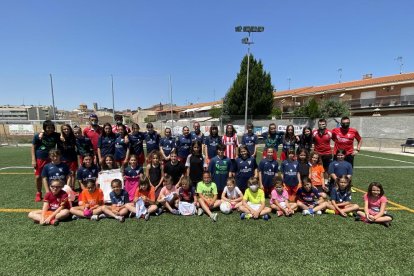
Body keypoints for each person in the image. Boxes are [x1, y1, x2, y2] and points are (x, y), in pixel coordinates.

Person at [31, 120, 60, 201]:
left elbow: (63, 135)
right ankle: (38, 193)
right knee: (38, 177)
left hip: (51, 159)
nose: (50, 129)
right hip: (40, 159)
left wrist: (62, 137)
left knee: (51, 177)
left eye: (51, 128)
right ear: (44, 128)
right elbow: (33, 147)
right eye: (48, 128)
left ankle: (51, 193)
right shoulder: (38, 136)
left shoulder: (56, 135)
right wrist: (33, 159)